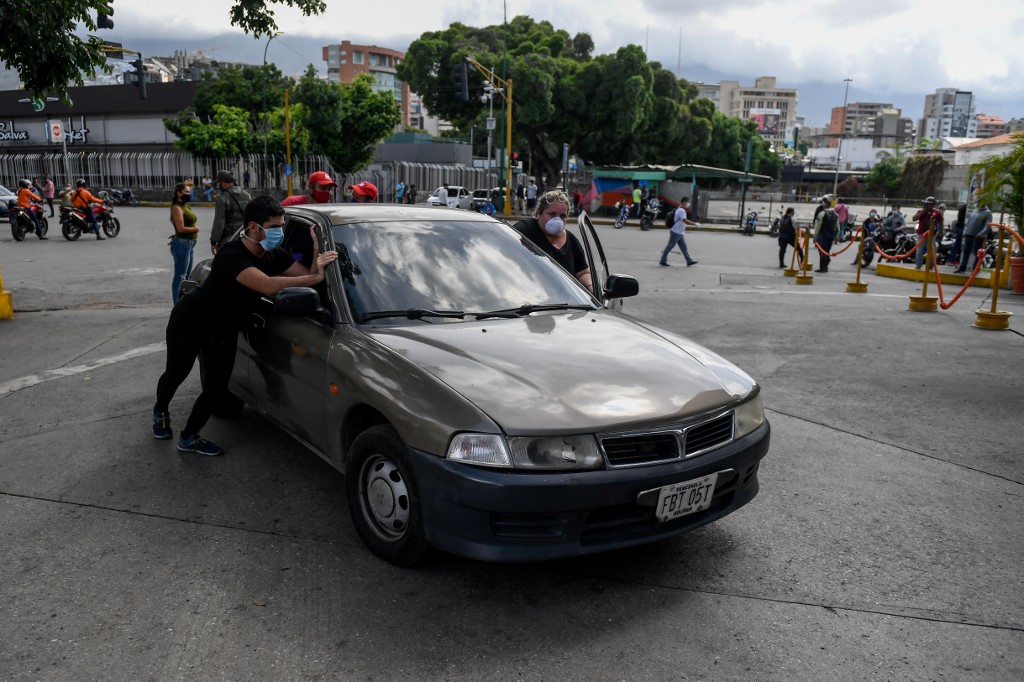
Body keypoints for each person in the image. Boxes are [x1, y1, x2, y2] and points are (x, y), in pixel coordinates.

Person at [151, 195, 339, 456]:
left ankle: (189, 436)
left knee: (216, 389)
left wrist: (317, 249)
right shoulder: (231, 254)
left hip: (223, 327)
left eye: (282, 226)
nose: (280, 232)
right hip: (191, 321)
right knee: (176, 373)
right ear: (254, 227)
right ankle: (160, 409)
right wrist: (314, 276)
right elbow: (267, 285)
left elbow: (305, 273)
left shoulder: (273, 254)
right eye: (274, 227)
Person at [513, 190, 593, 292]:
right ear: (538, 213)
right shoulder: (525, 230)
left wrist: (591, 287)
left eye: (562, 216)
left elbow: (583, 273)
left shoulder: (572, 240)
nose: (557, 220)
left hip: (567, 303)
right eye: (552, 214)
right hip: (531, 300)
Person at [168, 183, 199, 304]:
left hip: (189, 244)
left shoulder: (185, 206)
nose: (189, 194)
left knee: (186, 277)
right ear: (178, 193)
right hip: (182, 244)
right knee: (180, 277)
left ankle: (183, 304)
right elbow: (181, 228)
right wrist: (196, 229)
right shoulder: (177, 207)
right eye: (186, 192)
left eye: (189, 191)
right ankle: (177, 304)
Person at [209, 170, 251, 254]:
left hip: (229, 239)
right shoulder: (247, 195)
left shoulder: (223, 198)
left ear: (224, 183)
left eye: (219, 183)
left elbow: (219, 223)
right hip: (246, 237)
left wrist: (214, 241)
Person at [659, 196, 699, 267]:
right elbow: (685, 221)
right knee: (670, 246)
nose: (688, 204)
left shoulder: (680, 208)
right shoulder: (681, 210)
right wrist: (695, 224)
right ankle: (662, 260)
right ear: (684, 202)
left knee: (684, 247)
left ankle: (689, 261)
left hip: (679, 232)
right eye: (688, 202)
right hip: (676, 232)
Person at [955, 204, 993, 274]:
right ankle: (962, 267)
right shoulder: (975, 209)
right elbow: (968, 222)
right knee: (966, 251)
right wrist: (965, 231)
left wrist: (981, 234)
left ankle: (975, 269)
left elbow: (987, 225)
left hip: (978, 236)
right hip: (969, 234)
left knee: (977, 253)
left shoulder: (987, 213)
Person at [912, 196, 943, 270]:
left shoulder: (937, 212)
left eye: (931, 204)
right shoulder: (921, 211)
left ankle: (930, 265)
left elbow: (941, 222)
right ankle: (918, 265)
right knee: (920, 250)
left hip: (932, 234)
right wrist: (923, 211)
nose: (929, 205)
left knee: (932, 250)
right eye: (927, 204)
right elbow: (914, 218)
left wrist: (941, 231)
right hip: (921, 233)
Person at [813, 198, 839, 272]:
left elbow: (818, 225)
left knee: (822, 250)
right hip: (831, 234)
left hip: (823, 233)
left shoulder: (822, 213)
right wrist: (837, 236)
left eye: (824, 203)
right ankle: (826, 266)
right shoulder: (835, 214)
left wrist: (815, 235)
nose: (823, 204)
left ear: (826, 205)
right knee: (827, 250)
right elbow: (837, 226)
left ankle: (822, 268)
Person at [948, 202, 968, 267]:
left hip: (960, 227)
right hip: (962, 227)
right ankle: (953, 260)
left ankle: (952, 259)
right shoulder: (966, 208)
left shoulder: (963, 207)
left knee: (957, 244)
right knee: (961, 244)